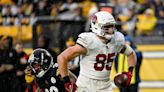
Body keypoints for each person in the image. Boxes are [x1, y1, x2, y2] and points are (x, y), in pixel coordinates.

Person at [57, 11, 137, 92]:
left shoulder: (117, 40)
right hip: (86, 85)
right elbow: (62, 57)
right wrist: (67, 82)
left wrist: (130, 73)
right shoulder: (89, 41)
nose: (111, 30)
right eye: (107, 27)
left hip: (105, 86)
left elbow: (131, 53)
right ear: (96, 27)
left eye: (112, 26)